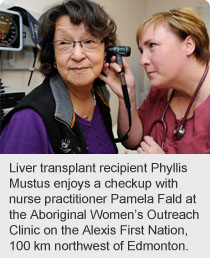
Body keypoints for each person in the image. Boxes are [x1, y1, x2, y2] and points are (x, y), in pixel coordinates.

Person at [0, 0, 118, 154]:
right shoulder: (29, 120)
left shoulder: (101, 94)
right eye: (64, 43)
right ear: (53, 54)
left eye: (89, 41)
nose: (77, 55)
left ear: (106, 50)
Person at [101, 8, 210, 154]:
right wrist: (127, 95)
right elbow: (132, 140)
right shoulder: (161, 90)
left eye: (152, 45)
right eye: (141, 51)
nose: (142, 61)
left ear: (189, 45)